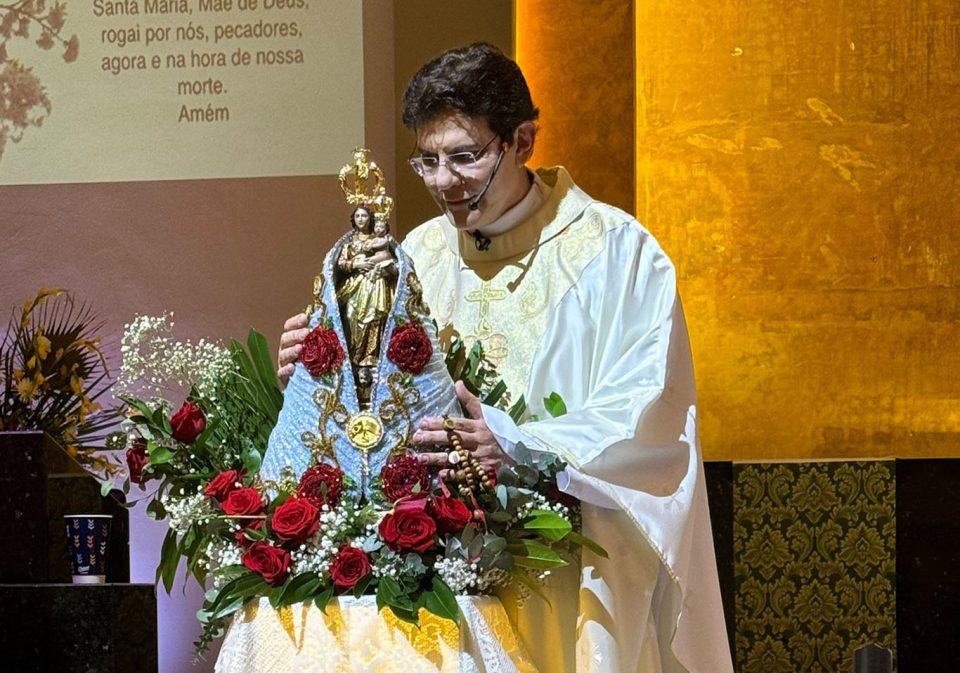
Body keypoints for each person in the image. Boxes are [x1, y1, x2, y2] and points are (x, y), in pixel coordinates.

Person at [278, 43, 732, 673]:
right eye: (428, 160)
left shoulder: (616, 253)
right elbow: (378, 411)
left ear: (523, 140)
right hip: (442, 581)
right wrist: (323, 373)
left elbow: (651, 417)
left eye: (465, 157)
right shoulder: (418, 256)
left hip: (568, 578)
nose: (443, 182)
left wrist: (517, 443)